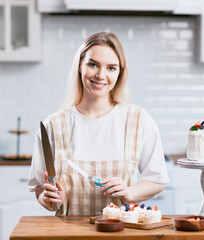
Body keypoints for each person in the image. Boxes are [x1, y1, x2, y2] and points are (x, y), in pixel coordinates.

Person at [28, 32, 169, 216]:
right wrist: (49, 199)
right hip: (69, 235)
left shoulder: (138, 120)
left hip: (123, 234)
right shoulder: (53, 125)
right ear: (80, 66)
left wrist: (131, 192)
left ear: (120, 73)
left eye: (111, 68)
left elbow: (157, 179)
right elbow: (40, 186)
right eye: (93, 64)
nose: (101, 75)